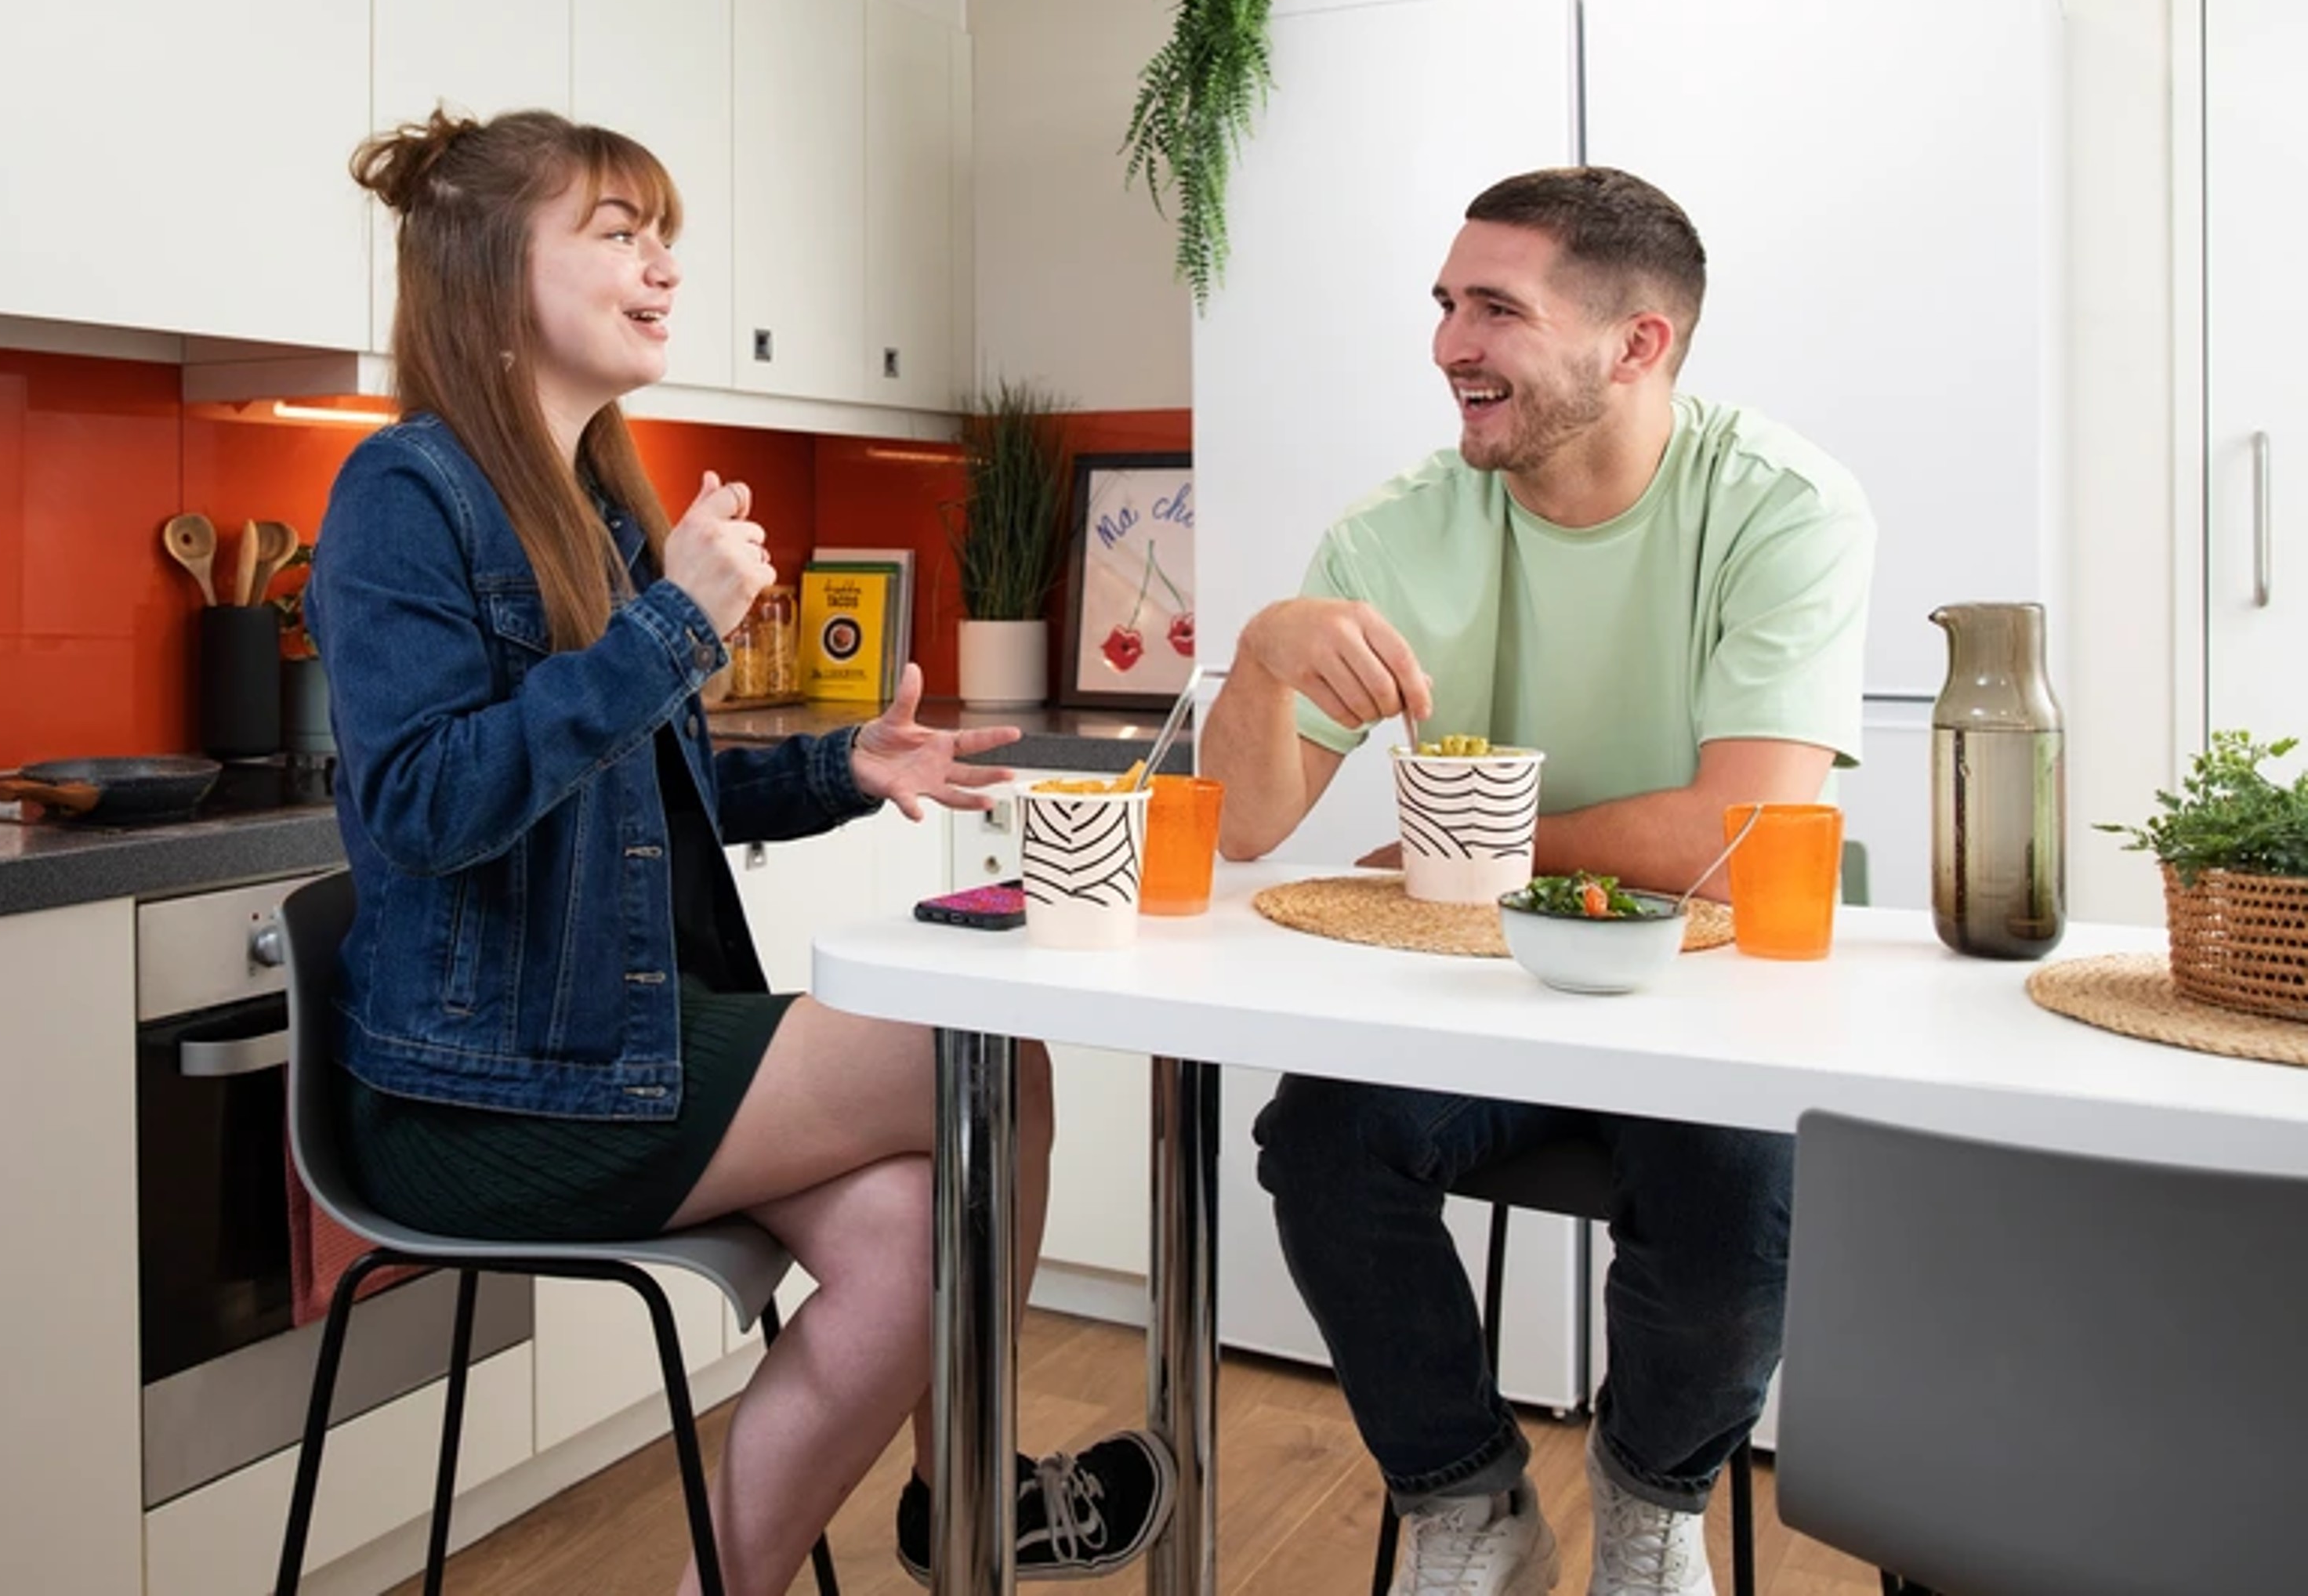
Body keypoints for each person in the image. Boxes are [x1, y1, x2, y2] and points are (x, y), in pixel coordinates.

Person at [306, 108, 1173, 1594]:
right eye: (617, 231)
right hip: (481, 1091)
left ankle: (800, 1561)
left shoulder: (587, 501)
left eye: (667, 237)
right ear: (484, 270)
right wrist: (672, 624)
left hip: (604, 1043)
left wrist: (846, 764)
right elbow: (425, 804)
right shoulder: (405, 490)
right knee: (990, 1061)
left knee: (911, 1228)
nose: (662, 266)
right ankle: (969, 1493)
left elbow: (646, 783)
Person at [1200, 168, 1875, 1596]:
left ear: (1638, 344)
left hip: (1695, 991)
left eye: (1496, 308)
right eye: (1447, 304)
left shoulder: (1785, 507)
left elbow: (1741, 832)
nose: (1451, 342)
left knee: (1741, 1168)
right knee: (1320, 1140)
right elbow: (1248, 825)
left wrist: (1480, 848)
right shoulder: (1395, 528)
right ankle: (1467, 1502)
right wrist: (1261, 651)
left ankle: (1650, 1503)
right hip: (1483, 993)